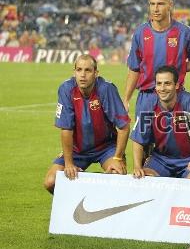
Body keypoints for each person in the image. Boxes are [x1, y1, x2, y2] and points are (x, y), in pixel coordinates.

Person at [44, 54, 130, 194]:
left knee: (117, 175)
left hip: (106, 147)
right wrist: (69, 163)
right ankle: (76, 206)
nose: (82, 75)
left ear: (96, 73)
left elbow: (124, 127)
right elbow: (66, 129)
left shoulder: (106, 89)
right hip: (78, 149)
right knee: (51, 182)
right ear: (74, 72)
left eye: (88, 70)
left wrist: (118, 158)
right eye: (79, 70)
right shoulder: (66, 89)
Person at [123, 0, 190, 115]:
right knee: (144, 134)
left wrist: (179, 67)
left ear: (170, 6)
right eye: (152, 4)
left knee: (176, 134)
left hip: (175, 97)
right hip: (147, 98)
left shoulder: (185, 33)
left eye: (160, 4)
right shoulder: (140, 33)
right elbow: (135, 69)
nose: (155, 9)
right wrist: (126, 99)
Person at [130, 66, 190, 179]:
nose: (162, 88)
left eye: (167, 83)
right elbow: (138, 140)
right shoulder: (149, 104)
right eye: (159, 83)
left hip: (189, 158)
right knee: (145, 177)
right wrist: (137, 166)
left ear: (176, 85)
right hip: (161, 159)